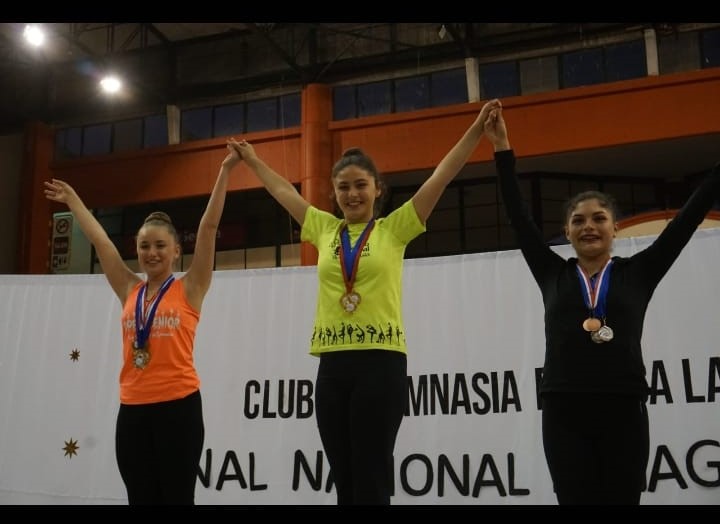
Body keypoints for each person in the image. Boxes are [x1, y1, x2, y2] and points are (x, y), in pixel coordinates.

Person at [228, 98, 501, 505]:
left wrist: (477, 129)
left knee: (371, 477)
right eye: (343, 187)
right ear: (334, 193)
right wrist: (252, 159)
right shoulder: (323, 228)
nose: (352, 194)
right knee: (344, 478)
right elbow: (282, 190)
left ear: (377, 189)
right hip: (332, 366)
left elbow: (442, 175)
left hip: (381, 363)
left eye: (360, 185)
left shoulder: (395, 229)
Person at [483, 103, 720, 505]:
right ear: (566, 231)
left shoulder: (640, 272)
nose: (588, 226)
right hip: (564, 411)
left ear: (615, 228)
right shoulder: (551, 273)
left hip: (623, 408)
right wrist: (502, 147)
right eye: (578, 220)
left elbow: (687, 220)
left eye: (598, 219)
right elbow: (519, 217)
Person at [43, 141, 242, 505]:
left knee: (176, 498)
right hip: (132, 410)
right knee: (140, 497)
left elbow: (209, 227)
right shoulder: (128, 288)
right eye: (145, 246)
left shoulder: (191, 287)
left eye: (160, 246)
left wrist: (225, 170)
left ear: (176, 250)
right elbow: (101, 241)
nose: (152, 253)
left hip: (179, 408)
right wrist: (75, 202)